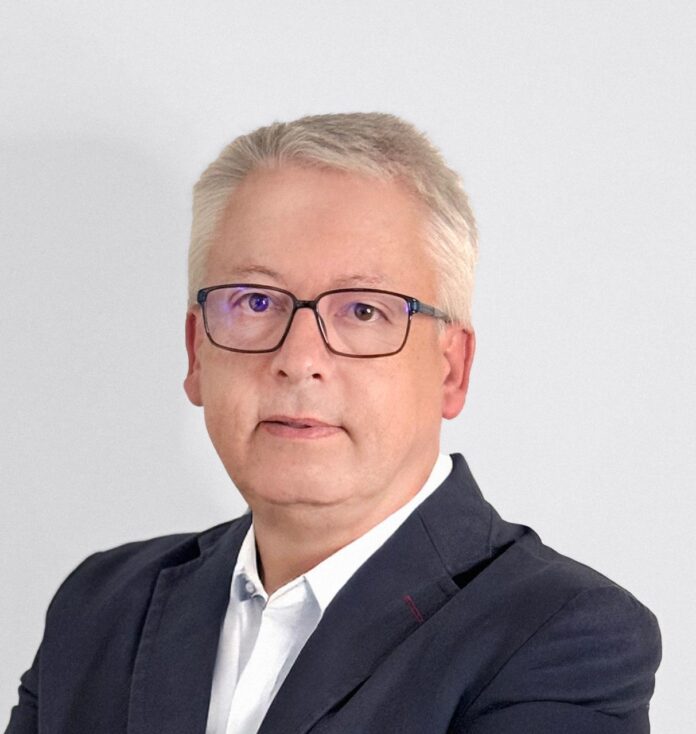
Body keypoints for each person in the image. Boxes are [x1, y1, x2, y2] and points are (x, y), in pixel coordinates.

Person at [5, 112, 661, 734]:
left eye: (364, 311)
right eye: (254, 301)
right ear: (196, 352)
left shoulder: (559, 634)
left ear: (451, 368)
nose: (299, 360)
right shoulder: (100, 608)